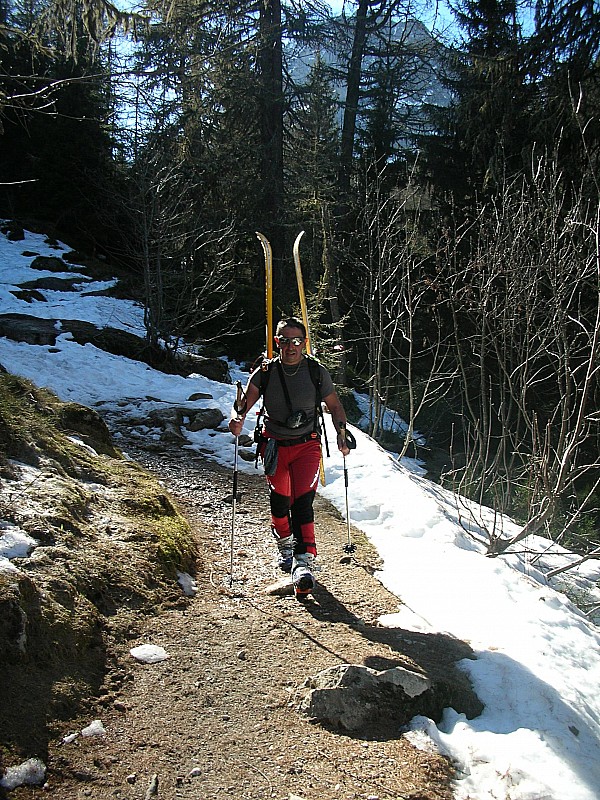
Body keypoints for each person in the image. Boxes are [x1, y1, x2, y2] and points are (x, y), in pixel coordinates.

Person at [229, 316, 351, 597]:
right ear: (277, 342)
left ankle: (303, 562)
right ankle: (284, 542)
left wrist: (341, 434)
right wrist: (237, 420)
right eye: (285, 340)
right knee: (280, 502)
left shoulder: (316, 372)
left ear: (304, 343)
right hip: (274, 445)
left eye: (296, 341)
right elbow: (244, 405)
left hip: (307, 445)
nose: (291, 346)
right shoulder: (265, 372)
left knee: (302, 501)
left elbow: (334, 405)